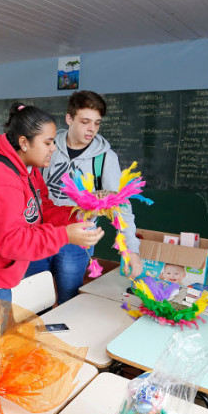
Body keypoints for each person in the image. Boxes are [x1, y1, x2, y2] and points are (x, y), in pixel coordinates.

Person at [0, 103, 104, 353]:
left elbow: (41, 210)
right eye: (49, 142)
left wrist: (76, 214)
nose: (54, 148)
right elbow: (10, 240)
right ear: (24, 142)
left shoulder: (28, 169)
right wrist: (65, 235)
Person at [27, 90, 143, 304]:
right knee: (32, 301)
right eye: (85, 121)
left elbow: (121, 206)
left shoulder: (105, 158)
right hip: (42, 233)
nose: (92, 129)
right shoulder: (47, 147)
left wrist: (131, 250)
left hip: (78, 238)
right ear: (69, 118)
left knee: (69, 299)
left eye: (97, 123)